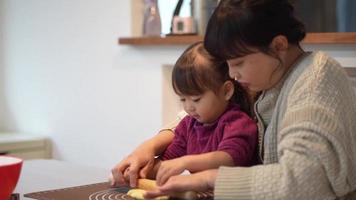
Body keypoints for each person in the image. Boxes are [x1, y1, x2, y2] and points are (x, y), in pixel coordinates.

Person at [114, 0, 356, 199]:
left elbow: (303, 183)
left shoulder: (317, 77)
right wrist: (150, 147)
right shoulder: (267, 79)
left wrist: (208, 177)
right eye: (228, 64)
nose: (232, 74)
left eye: (238, 62)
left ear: (279, 45)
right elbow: (199, 118)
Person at [111, 41, 258, 189]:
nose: (188, 107)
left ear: (226, 91)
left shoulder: (238, 122)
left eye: (196, 99)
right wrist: (139, 171)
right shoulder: (188, 125)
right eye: (182, 99)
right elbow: (167, 163)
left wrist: (185, 162)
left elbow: (229, 158)